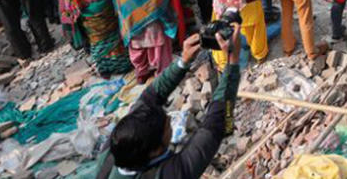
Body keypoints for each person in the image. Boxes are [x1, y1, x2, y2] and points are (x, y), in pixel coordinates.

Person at [97, 31, 242, 179]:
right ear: (154, 151)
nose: (171, 124)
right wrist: (233, 61)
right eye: (168, 127)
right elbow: (216, 124)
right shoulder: (171, 174)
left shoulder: (116, 147)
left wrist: (183, 62)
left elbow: (150, 96)